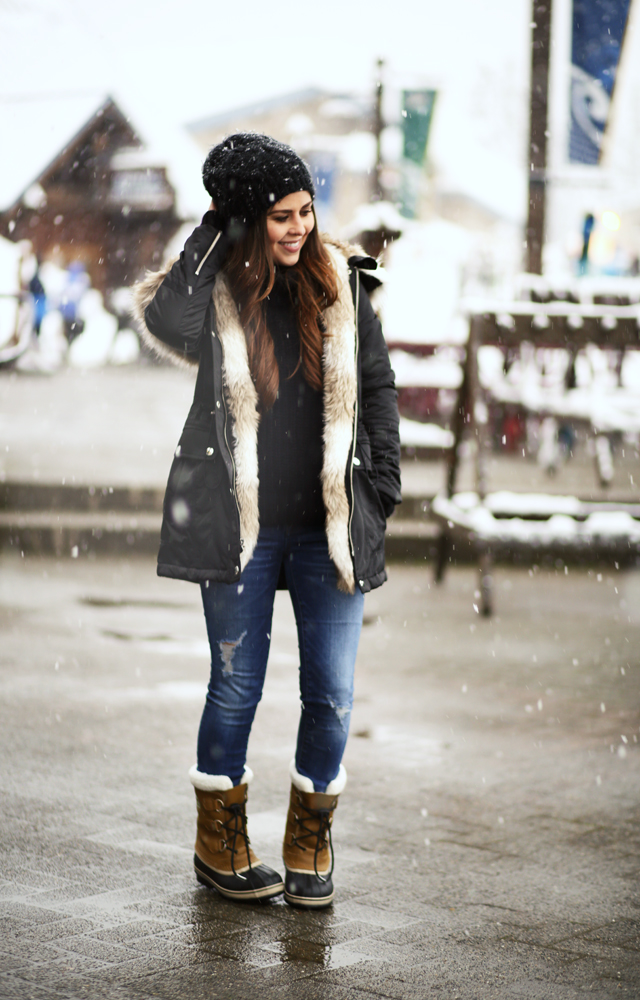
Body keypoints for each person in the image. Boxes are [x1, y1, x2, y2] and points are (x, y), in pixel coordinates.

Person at [133, 133, 401, 909]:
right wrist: (217, 226)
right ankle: (220, 843)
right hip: (240, 524)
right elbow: (167, 316)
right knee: (235, 687)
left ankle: (309, 840)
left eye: (306, 211)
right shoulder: (215, 288)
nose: (297, 228)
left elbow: (376, 387)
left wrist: (379, 486)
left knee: (333, 693)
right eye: (278, 215)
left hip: (327, 527)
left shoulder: (344, 284)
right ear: (249, 220)